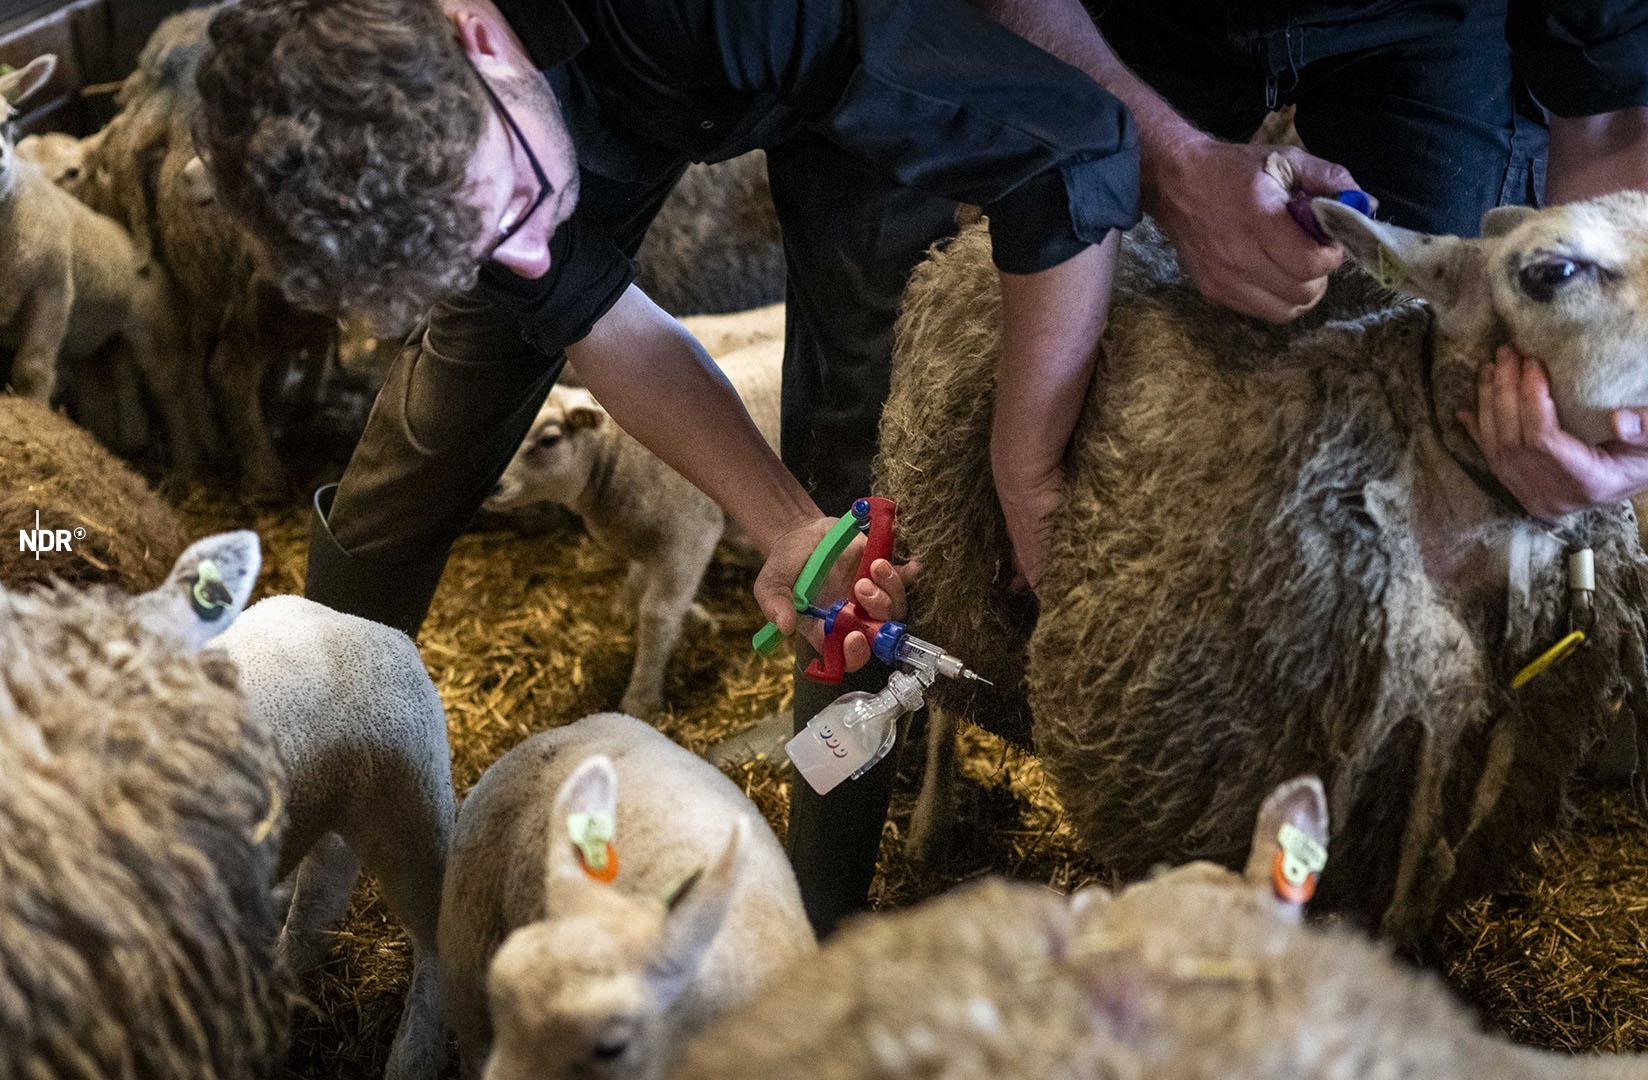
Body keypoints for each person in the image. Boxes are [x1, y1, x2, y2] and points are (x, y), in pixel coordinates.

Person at [194, 0, 1144, 934]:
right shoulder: (432, 116)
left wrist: (1025, 468)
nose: (534, 249)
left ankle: (818, 911)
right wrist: (782, 528)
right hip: (584, 80)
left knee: (859, 431)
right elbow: (585, 307)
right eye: (489, 237)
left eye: (516, 210)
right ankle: (317, 809)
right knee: (437, 421)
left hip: (802, 49)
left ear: (481, 44)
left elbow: (1071, 142)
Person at [975, 0, 1648, 523]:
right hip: (1122, 17)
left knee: (1441, 363)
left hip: (1421, 18)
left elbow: (1617, 110)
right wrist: (1173, 166)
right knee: (1007, 338)